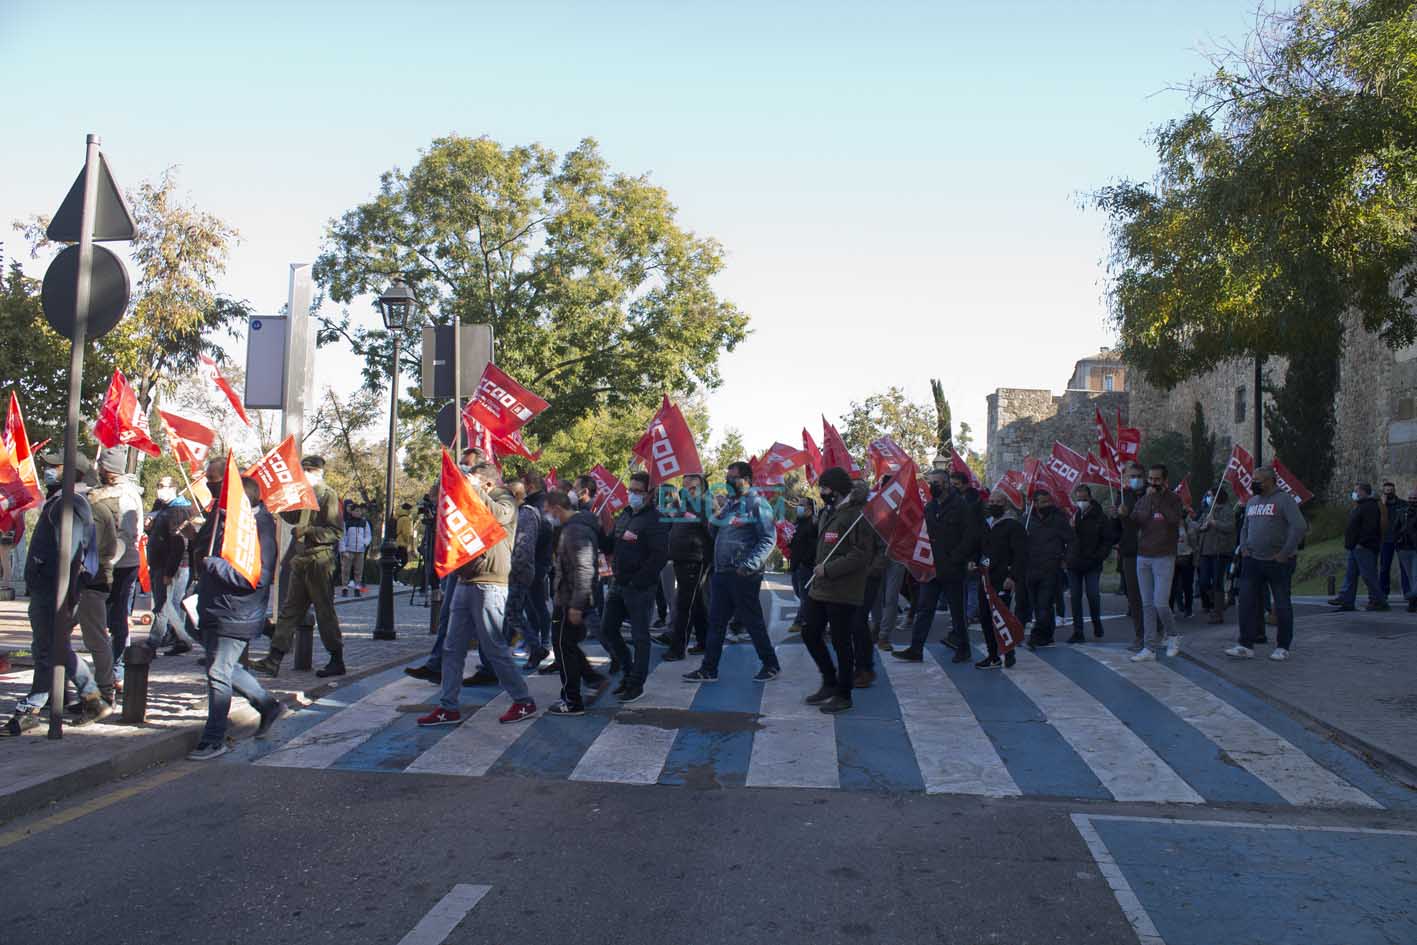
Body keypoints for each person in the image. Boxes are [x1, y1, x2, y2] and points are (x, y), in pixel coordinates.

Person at [418, 462, 535, 726]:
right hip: (465, 580)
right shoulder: (472, 503)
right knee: (452, 647)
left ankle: (523, 700)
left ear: (489, 484)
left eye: (473, 481)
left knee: (494, 647)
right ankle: (448, 706)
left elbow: (494, 515)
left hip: (490, 583)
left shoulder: (504, 500)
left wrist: (473, 490)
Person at [1, 454, 109, 735]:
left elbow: (69, 554)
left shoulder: (68, 503)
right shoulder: (63, 501)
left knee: (49, 648)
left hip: (55, 590)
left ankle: (36, 707)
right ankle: (88, 698)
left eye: (55, 466)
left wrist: (66, 595)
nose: (48, 470)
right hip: (52, 588)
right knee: (50, 647)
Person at [187, 473, 284, 760]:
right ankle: (267, 705)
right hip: (215, 607)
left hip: (237, 613)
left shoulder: (261, 530)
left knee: (218, 672)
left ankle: (213, 738)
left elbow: (257, 578)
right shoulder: (228, 520)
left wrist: (214, 565)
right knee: (224, 668)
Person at [683, 461, 782, 684]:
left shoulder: (757, 503)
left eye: (732, 478)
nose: (727, 482)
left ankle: (770, 664)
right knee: (716, 623)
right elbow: (715, 530)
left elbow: (768, 539)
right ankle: (709, 669)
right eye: (727, 478)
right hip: (722, 572)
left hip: (743, 575)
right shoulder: (731, 504)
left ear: (746, 479)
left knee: (753, 621)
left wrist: (748, 566)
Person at [250, 455, 346, 678]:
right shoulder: (304, 494)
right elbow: (293, 517)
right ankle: (273, 659)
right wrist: (280, 500)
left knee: (324, 612)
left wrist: (309, 532)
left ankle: (336, 659)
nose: (302, 475)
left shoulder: (327, 495)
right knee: (289, 611)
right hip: (301, 559)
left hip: (320, 561)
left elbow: (336, 532)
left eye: (306, 472)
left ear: (315, 473)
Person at [796, 466, 872, 713]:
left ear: (837, 490)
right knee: (810, 632)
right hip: (821, 588)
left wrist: (828, 569)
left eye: (825, 488)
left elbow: (860, 556)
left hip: (843, 589)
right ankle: (829, 680)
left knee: (841, 641)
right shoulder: (831, 512)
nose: (822, 492)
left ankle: (844, 692)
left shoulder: (857, 516)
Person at [894, 469, 980, 665]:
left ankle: (963, 649)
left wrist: (956, 558)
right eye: (930, 482)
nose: (932, 486)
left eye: (936, 482)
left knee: (957, 611)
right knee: (924, 608)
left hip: (952, 568)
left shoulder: (961, 506)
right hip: (931, 568)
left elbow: (970, 536)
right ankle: (916, 649)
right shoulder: (930, 507)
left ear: (946, 484)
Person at [597, 471, 669, 703]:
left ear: (649, 494)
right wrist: (597, 528)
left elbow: (659, 557)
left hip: (640, 589)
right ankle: (627, 673)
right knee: (608, 630)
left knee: (640, 636)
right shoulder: (625, 515)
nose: (633, 495)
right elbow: (609, 545)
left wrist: (638, 581)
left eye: (638, 491)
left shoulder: (655, 520)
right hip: (618, 584)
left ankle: (636, 683)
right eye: (631, 490)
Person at [1226, 466, 1307, 661]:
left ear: (1270, 481)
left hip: (1277, 562)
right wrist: (1244, 546)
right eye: (1253, 479)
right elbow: (1245, 527)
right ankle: (1245, 644)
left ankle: (1283, 646)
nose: (1253, 483)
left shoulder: (1284, 500)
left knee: (1281, 604)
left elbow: (1299, 526)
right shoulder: (1252, 501)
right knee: (1245, 602)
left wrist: (1285, 552)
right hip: (1253, 560)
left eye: (1257, 480)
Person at [90, 448, 144, 694]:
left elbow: (127, 534)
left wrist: (109, 562)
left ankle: (116, 671)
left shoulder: (125, 496)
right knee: (108, 619)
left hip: (120, 565)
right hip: (115, 563)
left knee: (116, 620)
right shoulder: (113, 491)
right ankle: (110, 669)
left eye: (100, 465)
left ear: (107, 469)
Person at [544, 490, 600, 716]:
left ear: (557, 508)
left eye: (548, 511)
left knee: (562, 647)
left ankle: (572, 700)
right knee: (566, 646)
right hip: (567, 597)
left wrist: (577, 604)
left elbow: (584, 568)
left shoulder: (575, 530)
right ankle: (590, 680)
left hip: (570, 599)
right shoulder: (571, 528)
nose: (547, 515)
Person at [1130, 463, 1185, 662]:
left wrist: (1158, 502)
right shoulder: (1144, 498)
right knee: (1147, 605)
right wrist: (1145, 503)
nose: (1152, 482)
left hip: (1164, 556)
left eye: (1157, 479)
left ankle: (1173, 635)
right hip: (1143, 555)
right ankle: (1149, 647)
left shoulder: (1174, 499)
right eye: (1150, 479)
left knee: (1161, 603)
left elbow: (1174, 520)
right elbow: (1137, 519)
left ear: (1165, 481)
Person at [659, 473, 712, 661]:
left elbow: (711, 532)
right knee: (695, 602)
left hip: (694, 560)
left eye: (692, 488)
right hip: (683, 558)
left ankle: (678, 648)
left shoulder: (706, 505)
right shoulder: (686, 506)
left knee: (684, 605)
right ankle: (705, 641)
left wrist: (707, 559)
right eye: (685, 487)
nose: (688, 491)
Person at [142, 477, 197, 656]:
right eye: (158, 486)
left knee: (164, 605)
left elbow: (178, 544)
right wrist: (149, 527)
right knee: (167, 605)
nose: (159, 490)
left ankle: (155, 641)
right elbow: (158, 534)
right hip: (159, 563)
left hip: (174, 565)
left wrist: (169, 571)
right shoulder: (161, 507)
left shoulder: (179, 510)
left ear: (174, 488)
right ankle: (178, 637)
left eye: (163, 486)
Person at [974, 490, 1028, 669]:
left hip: (1003, 579)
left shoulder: (1013, 526)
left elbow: (1021, 555)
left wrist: (1012, 577)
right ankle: (993, 655)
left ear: (1005, 504)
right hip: (986, 577)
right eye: (991, 501)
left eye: (998, 501)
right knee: (985, 616)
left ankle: (1009, 652)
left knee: (1002, 617)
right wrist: (977, 563)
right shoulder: (986, 524)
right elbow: (983, 550)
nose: (993, 504)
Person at [505, 478, 548, 668]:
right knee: (511, 614)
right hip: (520, 571)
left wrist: (512, 568)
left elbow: (523, 547)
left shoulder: (527, 514)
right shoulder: (520, 513)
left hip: (520, 572)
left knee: (513, 613)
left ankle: (536, 647)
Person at [1024, 489, 1073, 648]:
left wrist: (1065, 559)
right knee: (1037, 606)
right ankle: (1047, 635)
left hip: (1050, 568)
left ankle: (1036, 636)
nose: (1046, 505)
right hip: (1031, 569)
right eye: (1042, 502)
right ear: (1035, 503)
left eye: (1048, 501)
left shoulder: (1058, 520)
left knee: (1044, 604)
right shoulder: (1026, 520)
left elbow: (1072, 541)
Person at [1065, 484, 1111, 643]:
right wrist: (1071, 529)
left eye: (1084, 499)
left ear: (1090, 498)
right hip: (1074, 563)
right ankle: (1078, 632)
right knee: (1075, 597)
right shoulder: (1072, 515)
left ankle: (1096, 622)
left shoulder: (1100, 517)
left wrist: (1098, 557)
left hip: (1092, 563)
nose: (1081, 502)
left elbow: (1107, 541)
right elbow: (1066, 539)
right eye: (1078, 499)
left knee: (1093, 595)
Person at [1332, 482, 1386, 612]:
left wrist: (1361, 542)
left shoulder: (1370, 506)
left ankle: (1378, 601)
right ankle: (1346, 600)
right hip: (1355, 547)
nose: (1354, 493)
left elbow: (1370, 527)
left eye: (1356, 490)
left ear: (1363, 492)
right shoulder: (1360, 506)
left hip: (1364, 546)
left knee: (1368, 575)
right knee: (1350, 574)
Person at [1111, 461, 1147, 649]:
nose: (1135, 480)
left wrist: (1127, 515)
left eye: (1138, 476)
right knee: (1134, 596)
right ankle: (1140, 636)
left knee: (1152, 596)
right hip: (1130, 551)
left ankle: (1158, 631)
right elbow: (1117, 527)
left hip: (1152, 551)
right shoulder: (1123, 496)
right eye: (1131, 477)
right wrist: (1115, 517)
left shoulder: (1153, 495)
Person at [1197, 487, 1236, 624]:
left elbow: (1230, 527)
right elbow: (1198, 525)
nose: (1209, 498)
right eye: (1208, 495)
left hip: (1219, 551)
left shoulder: (1226, 510)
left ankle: (1217, 612)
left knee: (1217, 582)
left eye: (1211, 495)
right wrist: (1201, 527)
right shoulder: (1207, 511)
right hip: (1205, 551)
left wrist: (1215, 523)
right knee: (1203, 581)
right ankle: (1215, 602)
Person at [786, 496, 818, 633]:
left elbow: (814, 545)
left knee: (805, 596)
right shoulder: (797, 523)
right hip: (795, 565)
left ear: (810, 508)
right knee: (800, 594)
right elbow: (794, 543)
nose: (798, 507)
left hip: (806, 566)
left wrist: (805, 560)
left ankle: (799, 621)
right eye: (798, 504)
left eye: (802, 504)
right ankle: (812, 618)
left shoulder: (814, 524)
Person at [1379, 481, 1407, 601]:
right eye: (1386, 491)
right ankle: (1383, 592)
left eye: (1390, 490)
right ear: (1383, 492)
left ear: (1394, 491)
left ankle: (1408, 592)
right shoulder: (1380, 505)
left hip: (1400, 539)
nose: (1388, 493)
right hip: (1386, 540)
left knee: (1404, 567)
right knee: (1384, 567)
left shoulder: (1402, 504)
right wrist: (1383, 505)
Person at [338, 502, 373, 596]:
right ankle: (344, 587)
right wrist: (343, 549)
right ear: (352, 512)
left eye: (360, 511)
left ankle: (357, 587)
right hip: (349, 549)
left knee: (359, 570)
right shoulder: (347, 523)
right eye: (356, 511)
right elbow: (342, 536)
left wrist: (365, 543)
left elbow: (368, 535)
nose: (359, 512)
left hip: (360, 550)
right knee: (346, 569)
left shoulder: (365, 523)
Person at [1170, 505, 1198, 619]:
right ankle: (1170, 609)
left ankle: (1188, 609)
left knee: (1187, 585)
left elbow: (1195, 541)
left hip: (1187, 557)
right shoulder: (1170, 526)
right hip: (1174, 558)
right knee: (1172, 585)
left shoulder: (1190, 525)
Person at [1396, 488, 1417, 613]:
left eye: (1415, 498)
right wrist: (1397, 542)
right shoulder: (1402, 512)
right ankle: (1413, 603)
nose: (1412, 500)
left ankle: (1411, 596)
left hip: (1415, 548)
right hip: (1403, 549)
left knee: (1415, 576)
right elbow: (1395, 528)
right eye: (1411, 498)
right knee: (1410, 577)